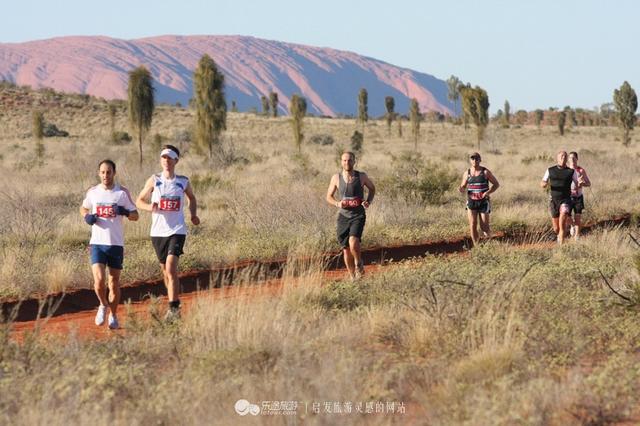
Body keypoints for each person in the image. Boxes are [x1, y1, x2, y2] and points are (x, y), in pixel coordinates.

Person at [136, 145, 200, 321]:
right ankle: (173, 301)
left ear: (176, 161)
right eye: (163, 157)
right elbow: (139, 200)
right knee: (165, 271)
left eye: (170, 157)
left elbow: (192, 198)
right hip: (157, 232)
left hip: (177, 230)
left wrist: (193, 214)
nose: (166, 160)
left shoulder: (182, 181)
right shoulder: (154, 180)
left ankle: (174, 309)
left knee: (171, 268)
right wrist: (150, 207)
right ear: (160, 160)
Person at [80, 159, 138, 329]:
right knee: (98, 281)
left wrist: (125, 212)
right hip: (97, 243)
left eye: (109, 172)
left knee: (113, 283)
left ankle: (113, 315)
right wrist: (86, 217)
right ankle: (103, 305)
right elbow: (83, 208)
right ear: (99, 173)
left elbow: (136, 216)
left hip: (115, 244)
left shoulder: (121, 193)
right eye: (103, 172)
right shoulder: (93, 192)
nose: (106, 175)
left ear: (114, 173)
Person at [326, 151, 375, 280]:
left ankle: (359, 264)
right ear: (341, 162)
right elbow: (328, 197)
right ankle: (353, 277)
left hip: (358, 215)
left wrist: (368, 201)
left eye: (349, 160)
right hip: (343, 216)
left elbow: (372, 188)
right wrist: (338, 204)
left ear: (354, 161)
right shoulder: (336, 178)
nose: (347, 163)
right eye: (344, 160)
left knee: (353, 242)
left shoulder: (361, 176)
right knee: (346, 249)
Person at [458, 152, 500, 246]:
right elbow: (463, 185)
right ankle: (477, 247)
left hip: (483, 202)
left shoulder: (485, 172)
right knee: (472, 225)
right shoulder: (467, 173)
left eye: (477, 159)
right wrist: (461, 188)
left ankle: (490, 245)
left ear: (480, 160)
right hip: (471, 202)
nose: (475, 160)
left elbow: (496, 184)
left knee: (484, 227)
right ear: (470, 160)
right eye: (472, 159)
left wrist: (488, 192)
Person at [540, 150, 579, 244]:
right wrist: (544, 184)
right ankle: (559, 234)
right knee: (556, 228)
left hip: (565, 200)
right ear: (557, 158)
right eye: (561, 156)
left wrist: (579, 184)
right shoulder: (550, 170)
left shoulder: (571, 171)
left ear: (566, 159)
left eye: (565, 156)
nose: (563, 158)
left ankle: (561, 241)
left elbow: (577, 183)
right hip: (553, 200)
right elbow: (542, 182)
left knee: (563, 218)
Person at [567, 151, 591, 240]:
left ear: (577, 159)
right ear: (568, 160)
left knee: (578, 217)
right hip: (567, 197)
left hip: (578, 197)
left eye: (574, 158)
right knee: (567, 217)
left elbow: (588, 183)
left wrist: (582, 183)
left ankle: (577, 236)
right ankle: (572, 225)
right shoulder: (565, 170)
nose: (572, 159)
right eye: (570, 158)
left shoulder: (581, 170)